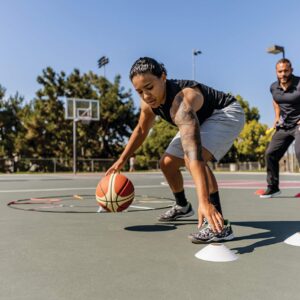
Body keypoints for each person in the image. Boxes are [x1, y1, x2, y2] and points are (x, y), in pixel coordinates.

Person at [106, 57, 245, 243]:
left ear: (163, 77)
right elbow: (140, 130)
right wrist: (121, 159)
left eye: (149, 87)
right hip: (197, 120)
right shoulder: (148, 104)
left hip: (225, 114)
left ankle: (219, 226)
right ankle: (182, 206)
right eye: (139, 91)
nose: (146, 96)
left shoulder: (182, 102)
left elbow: (194, 155)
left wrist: (204, 203)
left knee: (192, 158)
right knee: (167, 163)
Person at [261, 58, 300, 198]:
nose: (283, 74)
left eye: (286, 71)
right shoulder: (273, 87)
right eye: (280, 71)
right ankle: (273, 187)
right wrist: (276, 118)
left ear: (291, 70)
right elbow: (276, 101)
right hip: (284, 126)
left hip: (298, 125)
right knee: (270, 153)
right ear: (276, 72)